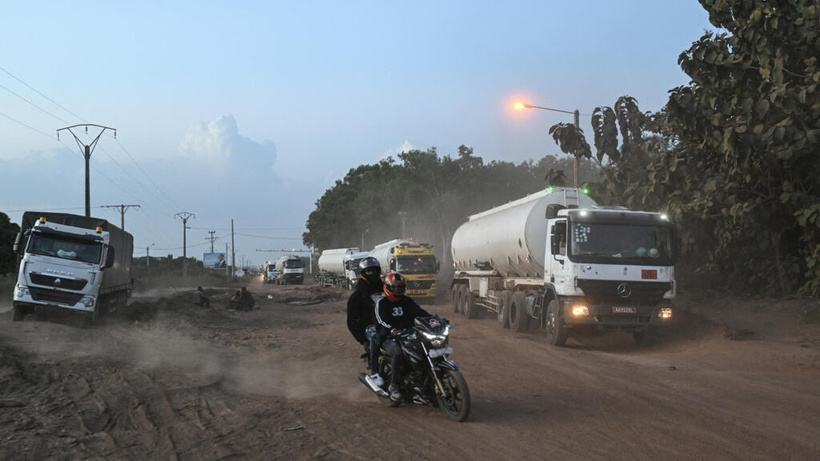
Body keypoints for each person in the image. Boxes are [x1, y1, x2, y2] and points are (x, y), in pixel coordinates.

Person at [373, 272, 431, 401]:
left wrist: (434, 320)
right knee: (398, 353)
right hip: (388, 338)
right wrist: (392, 330)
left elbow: (421, 313)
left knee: (424, 350)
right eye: (394, 287)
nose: (397, 290)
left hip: (408, 335)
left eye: (400, 287)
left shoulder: (407, 301)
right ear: (387, 287)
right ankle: (394, 385)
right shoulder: (382, 303)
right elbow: (381, 321)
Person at [347, 257, 384, 389]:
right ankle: (375, 373)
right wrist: (363, 340)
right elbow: (352, 321)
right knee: (375, 336)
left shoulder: (387, 289)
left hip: (388, 324)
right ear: (363, 273)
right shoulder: (358, 295)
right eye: (368, 271)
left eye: (374, 270)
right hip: (371, 326)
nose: (372, 273)